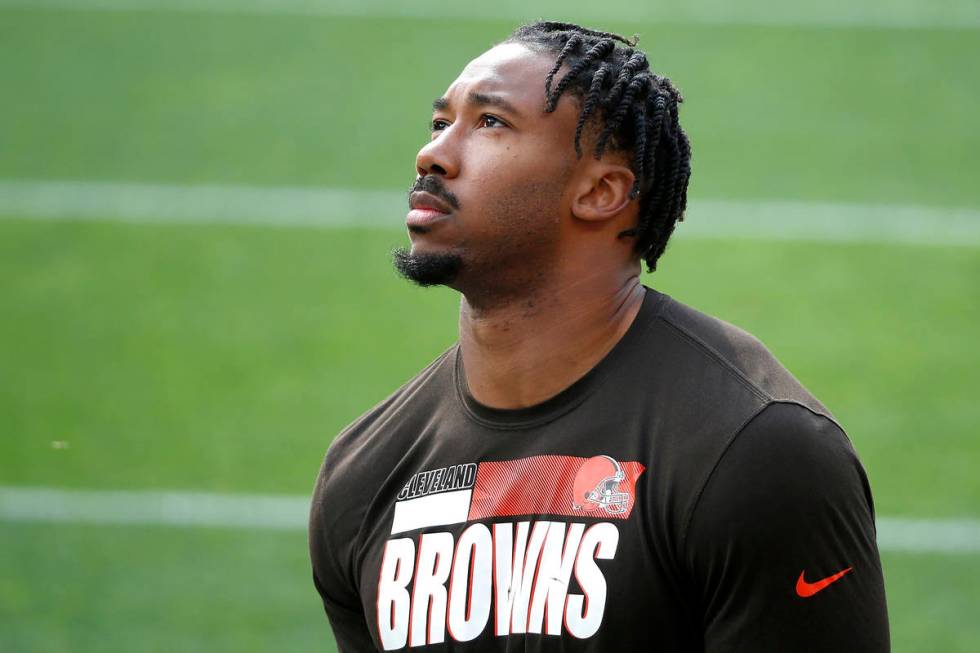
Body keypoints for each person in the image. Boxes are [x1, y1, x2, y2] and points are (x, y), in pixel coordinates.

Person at [309, 20, 889, 652]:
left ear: (601, 192)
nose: (434, 154)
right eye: (440, 123)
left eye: (491, 122)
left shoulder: (756, 452)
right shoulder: (364, 474)